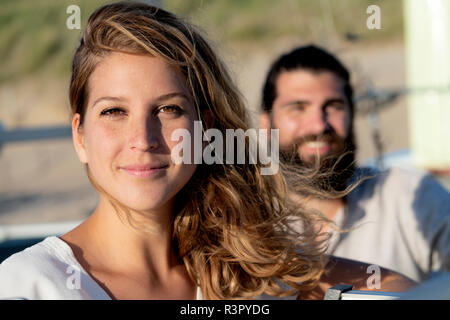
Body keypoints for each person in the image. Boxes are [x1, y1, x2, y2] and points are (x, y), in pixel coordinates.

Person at [0, 2, 415, 300]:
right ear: (80, 137)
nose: (143, 138)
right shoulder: (30, 284)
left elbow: (395, 286)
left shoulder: (244, 272)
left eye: (168, 109)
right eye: (113, 111)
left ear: (206, 130)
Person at [259, 44, 450, 283]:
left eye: (333, 107)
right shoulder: (244, 223)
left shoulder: (408, 197)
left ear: (351, 114)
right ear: (265, 125)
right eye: (298, 108)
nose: (319, 125)